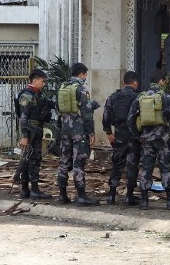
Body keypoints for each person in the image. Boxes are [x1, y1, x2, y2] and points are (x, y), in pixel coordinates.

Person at [127, 69, 170, 210]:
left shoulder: (141, 97)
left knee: (146, 168)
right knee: (165, 168)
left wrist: (137, 135)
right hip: (163, 140)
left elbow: (130, 119)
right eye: (164, 80)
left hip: (146, 140)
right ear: (161, 81)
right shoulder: (166, 97)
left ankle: (144, 201)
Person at [56, 62, 100, 206]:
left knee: (64, 161)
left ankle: (62, 195)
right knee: (78, 162)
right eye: (85, 74)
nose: (86, 77)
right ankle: (81, 195)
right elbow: (87, 113)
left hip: (65, 130)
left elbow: (58, 109)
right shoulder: (81, 89)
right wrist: (91, 132)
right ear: (81, 74)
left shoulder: (62, 88)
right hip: (78, 131)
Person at [102, 70, 141, 205]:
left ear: (123, 83)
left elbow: (106, 116)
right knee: (132, 164)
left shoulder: (113, 97)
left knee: (117, 163)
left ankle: (111, 195)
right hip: (134, 136)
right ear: (135, 83)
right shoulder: (138, 97)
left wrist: (109, 133)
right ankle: (129, 196)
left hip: (119, 135)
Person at [15, 68, 55, 200]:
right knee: (32, 160)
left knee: (32, 159)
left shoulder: (38, 94)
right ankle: (31, 189)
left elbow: (49, 104)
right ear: (35, 80)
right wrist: (25, 136)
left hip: (37, 130)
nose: (44, 84)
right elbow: (23, 118)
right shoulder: (27, 96)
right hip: (31, 132)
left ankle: (27, 190)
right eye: (42, 81)